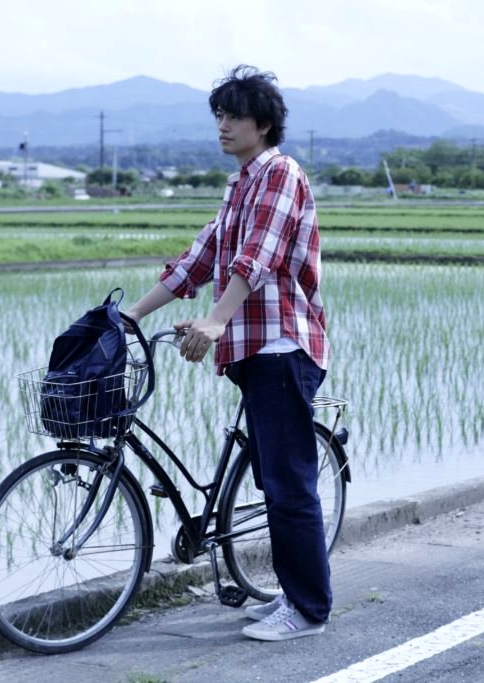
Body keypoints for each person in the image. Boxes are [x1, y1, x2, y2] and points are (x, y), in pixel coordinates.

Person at [124, 65, 331, 642]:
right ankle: (291, 594)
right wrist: (131, 315)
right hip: (250, 351)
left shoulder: (280, 175)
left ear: (263, 124)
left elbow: (258, 256)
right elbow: (200, 259)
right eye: (218, 115)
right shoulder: (241, 184)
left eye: (234, 115)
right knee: (272, 481)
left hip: (281, 347)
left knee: (289, 487)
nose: (223, 125)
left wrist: (216, 320)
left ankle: (309, 610)